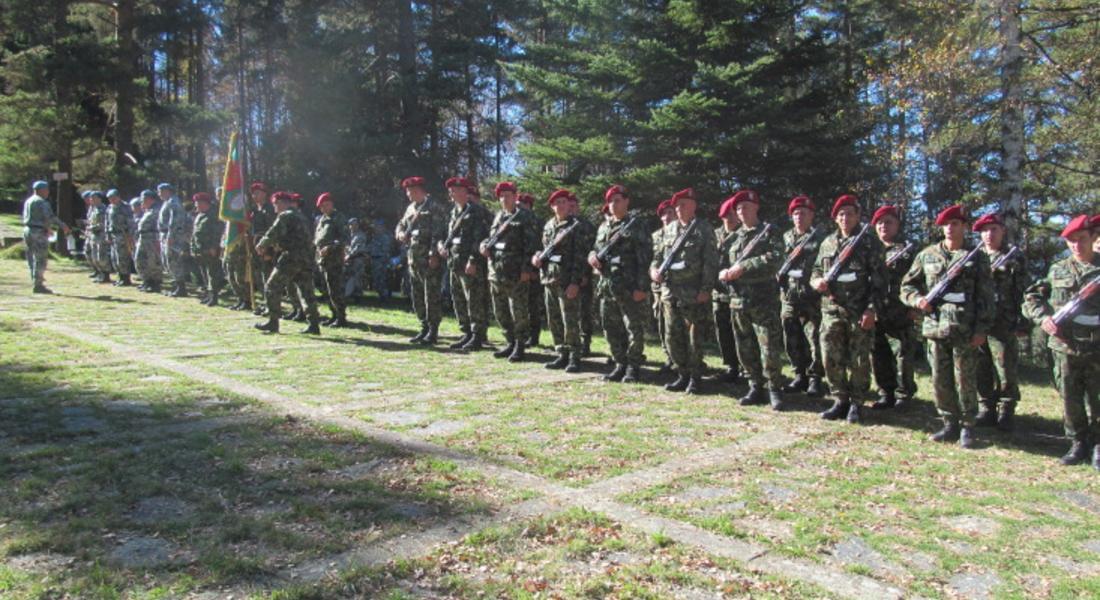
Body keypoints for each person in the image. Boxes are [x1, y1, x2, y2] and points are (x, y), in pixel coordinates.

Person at [901, 204, 994, 448]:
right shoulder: (927, 255)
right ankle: (949, 422)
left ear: (964, 226)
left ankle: (967, 426)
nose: (950, 229)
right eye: (946, 225)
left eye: (955, 224)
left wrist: (982, 329)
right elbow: (907, 286)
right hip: (935, 328)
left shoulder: (977, 257)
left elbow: (986, 297)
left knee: (965, 379)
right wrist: (917, 300)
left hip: (965, 329)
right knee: (940, 379)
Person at [1023, 214, 1099, 469]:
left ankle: (1098, 444)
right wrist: (1042, 318)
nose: (1077, 245)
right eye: (1071, 241)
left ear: (1093, 238)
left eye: (1082, 239)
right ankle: (1077, 443)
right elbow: (1032, 296)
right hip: (1066, 345)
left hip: (1097, 346)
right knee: (1070, 397)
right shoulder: (1058, 269)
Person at [810, 194, 886, 424]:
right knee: (830, 357)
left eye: (849, 213)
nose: (845, 218)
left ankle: (857, 402)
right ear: (835, 218)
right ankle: (840, 399)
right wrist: (816, 282)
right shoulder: (827, 243)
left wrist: (871, 309)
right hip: (832, 309)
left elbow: (881, 281)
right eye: (841, 214)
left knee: (859, 360)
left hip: (859, 311)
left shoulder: (870, 243)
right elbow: (815, 270)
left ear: (858, 216)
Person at [719, 190, 784, 407]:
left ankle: (774, 388)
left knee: (769, 347)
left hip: (763, 301)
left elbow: (776, 258)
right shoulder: (734, 237)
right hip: (738, 301)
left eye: (745, 207)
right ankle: (755, 386)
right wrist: (723, 272)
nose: (741, 211)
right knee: (745, 347)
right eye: (738, 209)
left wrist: (744, 266)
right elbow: (722, 262)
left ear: (756, 207)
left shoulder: (768, 232)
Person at [652, 188, 719, 394]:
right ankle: (682, 374)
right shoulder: (669, 230)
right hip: (670, 292)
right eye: (677, 205)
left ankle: (695, 377)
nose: (679, 209)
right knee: (672, 336)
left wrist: (706, 289)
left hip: (693, 293)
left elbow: (711, 261)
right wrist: (653, 270)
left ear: (693, 206)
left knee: (693, 339)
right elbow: (657, 256)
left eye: (684, 205)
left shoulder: (703, 229)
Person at [589, 185, 651, 383]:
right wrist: (591, 257)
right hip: (607, 286)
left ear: (626, 201)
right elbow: (595, 250)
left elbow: (645, 257)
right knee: (610, 327)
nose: (613, 204)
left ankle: (633, 366)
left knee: (633, 328)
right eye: (610, 201)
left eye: (617, 200)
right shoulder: (604, 227)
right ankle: (619, 363)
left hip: (629, 286)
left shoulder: (637, 225)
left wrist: (642, 287)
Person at [973, 213, 1028, 431]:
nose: (989, 234)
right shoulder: (974, 256)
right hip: (978, 321)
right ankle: (986, 407)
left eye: (994, 229)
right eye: (985, 230)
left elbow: (1024, 290)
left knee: (1005, 367)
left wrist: (1023, 321)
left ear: (1003, 231)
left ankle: (1007, 410)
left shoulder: (1014, 257)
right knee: (980, 365)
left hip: (1003, 321)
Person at [481, 181, 540, 362]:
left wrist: (526, 269)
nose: (504, 199)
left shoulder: (525, 217)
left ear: (515, 197)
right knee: (501, 311)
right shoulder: (498, 217)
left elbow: (531, 245)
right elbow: (491, 238)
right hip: (496, 272)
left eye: (508, 195)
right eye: (501, 196)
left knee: (519, 311)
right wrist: (483, 245)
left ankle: (520, 345)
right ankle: (510, 342)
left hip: (516, 273)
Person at [869, 205, 920, 410]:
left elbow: (920, 279)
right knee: (878, 353)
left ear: (897, 225)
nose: (884, 226)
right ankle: (885, 392)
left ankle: (903, 394)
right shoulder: (869, 250)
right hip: (876, 310)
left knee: (902, 355)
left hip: (900, 311)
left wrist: (917, 307)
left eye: (888, 222)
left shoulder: (909, 251)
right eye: (880, 223)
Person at [533, 189, 588, 372]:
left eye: (564, 202)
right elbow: (543, 248)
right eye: (557, 203)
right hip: (549, 279)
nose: (561, 205)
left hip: (567, 280)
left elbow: (579, 257)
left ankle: (574, 355)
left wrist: (575, 282)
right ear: (552, 207)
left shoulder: (576, 226)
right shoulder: (548, 226)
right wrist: (537, 257)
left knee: (569, 319)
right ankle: (561, 353)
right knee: (554, 318)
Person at [254, 191, 322, 335]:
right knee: (306, 291)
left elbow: (273, 232)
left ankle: (273, 322)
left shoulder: (285, 215)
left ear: (281, 203)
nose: (274, 207)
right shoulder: (301, 216)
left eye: (275, 204)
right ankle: (314, 325)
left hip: (291, 256)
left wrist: (262, 244)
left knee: (272, 286)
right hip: (306, 258)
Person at [779, 195, 827, 396]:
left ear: (811, 215)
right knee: (791, 335)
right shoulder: (785, 238)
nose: (799, 217)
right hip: (789, 295)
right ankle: (799, 374)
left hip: (811, 296)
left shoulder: (821, 238)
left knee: (814, 338)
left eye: (804, 213)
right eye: (796, 213)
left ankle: (815, 378)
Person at [440, 177, 491, 351]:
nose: (452, 193)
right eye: (451, 190)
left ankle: (478, 335)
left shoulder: (475, 211)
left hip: (470, 263)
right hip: (455, 262)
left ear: (464, 191)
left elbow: (480, 238)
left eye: (455, 190)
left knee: (474, 299)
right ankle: (467, 332)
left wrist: (473, 260)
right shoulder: (454, 211)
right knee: (459, 299)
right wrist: (444, 248)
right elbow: (451, 236)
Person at [395, 177, 448, 344]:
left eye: (411, 191)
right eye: (407, 191)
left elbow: (439, 232)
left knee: (431, 295)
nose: (408, 194)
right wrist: (400, 233)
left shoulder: (433, 206)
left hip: (428, 259)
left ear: (420, 190)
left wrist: (434, 254)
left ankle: (433, 330)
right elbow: (401, 225)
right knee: (417, 294)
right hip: (413, 259)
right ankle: (423, 326)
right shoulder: (410, 208)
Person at [712, 196, 743, 384]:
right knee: (723, 330)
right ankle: (731, 366)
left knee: (741, 331)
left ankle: (747, 368)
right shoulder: (714, 234)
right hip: (719, 292)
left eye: (732, 215)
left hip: (738, 292)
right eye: (725, 216)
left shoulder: (745, 234)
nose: (729, 219)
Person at [21, 180, 70, 293]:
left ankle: (34, 279)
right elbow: (49, 217)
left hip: (28, 230)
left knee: (31, 256)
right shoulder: (42, 202)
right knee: (41, 258)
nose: (48, 192)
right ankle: (38, 284)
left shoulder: (29, 201)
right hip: (38, 232)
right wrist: (63, 226)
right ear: (42, 190)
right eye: (47, 190)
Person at [568, 192, 598, 357]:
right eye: (568, 206)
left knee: (584, 311)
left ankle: (585, 342)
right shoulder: (563, 225)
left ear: (578, 207)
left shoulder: (587, 226)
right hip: (567, 276)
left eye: (573, 206)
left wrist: (585, 274)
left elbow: (591, 252)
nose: (570, 209)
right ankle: (570, 344)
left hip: (584, 276)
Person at [314, 192, 349, 327]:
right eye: (322, 206)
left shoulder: (338, 218)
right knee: (326, 289)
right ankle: (333, 314)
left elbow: (344, 238)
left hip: (334, 259)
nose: (324, 208)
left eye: (327, 205)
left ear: (332, 204)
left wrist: (330, 246)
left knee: (335, 289)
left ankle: (341, 317)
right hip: (322, 260)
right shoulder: (322, 219)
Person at [652, 200, 677, 375]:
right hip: (657, 288)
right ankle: (668, 356)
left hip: (675, 287)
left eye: (670, 212)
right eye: (664, 214)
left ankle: (680, 359)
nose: (667, 217)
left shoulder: (680, 234)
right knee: (661, 321)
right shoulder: (655, 236)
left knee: (676, 324)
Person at [517, 192, 544, 347]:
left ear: (530, 206)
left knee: (533, 305)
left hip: (533, 270)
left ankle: (534, 336)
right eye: (519, 204)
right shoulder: (517, 220)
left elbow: (541, 247)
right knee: (522, 305)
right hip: (518, 270)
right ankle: (524, 335)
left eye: (523, 204)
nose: (520, 206)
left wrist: (534, 270)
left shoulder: (538, 222)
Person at [190, 193, 224, 306]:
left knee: (212, 273)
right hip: (200, 250)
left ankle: (214, 297)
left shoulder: (213, 215)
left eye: (198, 203)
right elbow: (195, 234)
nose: (196, 205)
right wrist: (193, 248)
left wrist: (214, 247)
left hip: (209, 249)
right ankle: (208, 295)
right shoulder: (199, 215)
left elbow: (217, 232)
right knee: (204, 273)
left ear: (205, 203)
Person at [157, 182, 190, 297]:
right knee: (169, 261)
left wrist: (170, 236)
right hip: (166, 235)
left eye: (161, 191)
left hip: (174, 237)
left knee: (174, 261)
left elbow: (175, 221)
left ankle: (181, 289)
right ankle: (176, 286)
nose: (159, 194)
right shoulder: (167, 202)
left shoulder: (174, 202)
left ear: (168, 191)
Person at [134, 190, 164, 293]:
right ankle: (146, 281)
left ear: (151, 199)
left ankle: (155, 283)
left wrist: (158, 240)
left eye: (144, 199)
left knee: (152, 262)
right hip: (143, 238)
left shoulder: (157, 211)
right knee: (140, 260)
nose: (142, 202)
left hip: (152, 239)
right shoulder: (147, 211)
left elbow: (159, 227)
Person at [106, 189, 134, 287]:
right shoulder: (110, 208)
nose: (112, 200)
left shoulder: (125, 207)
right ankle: (120, 276)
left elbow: (130, 222)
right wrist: (107, 235)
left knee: (123, 257)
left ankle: (126, 278)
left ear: (118, 197)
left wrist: (130, 235)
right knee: (115, 257)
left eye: (114, 198)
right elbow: (107, 222)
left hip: (123, 235)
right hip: (113, 235)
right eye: (110, 198)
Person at [86, 191, 113, 283]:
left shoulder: (103, 209)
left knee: (102, 256)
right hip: (94, 235)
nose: (91, 200)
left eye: (93, 198)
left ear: (99, 199)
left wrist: (91, 227)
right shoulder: (93, 209)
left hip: (101, 235)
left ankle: (106, 275)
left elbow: (103, 224)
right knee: (94, 256)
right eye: (91, 198)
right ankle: (100, 273)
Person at [344, 218, 369, 302]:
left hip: (358, 259)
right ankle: (350, 295)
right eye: (351, 224)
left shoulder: (360, 235)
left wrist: (349, 255)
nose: (352, 226)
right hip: (350, 260)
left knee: (357, 278)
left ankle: (357, 297)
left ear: (358, 225)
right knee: (351, 277)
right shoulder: (350, 235)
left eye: (354, 224)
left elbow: (358, 248)